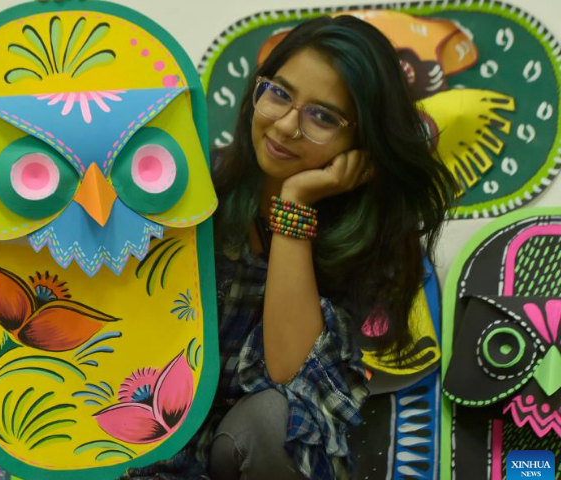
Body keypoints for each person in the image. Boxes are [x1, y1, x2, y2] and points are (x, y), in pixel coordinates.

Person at [124, 14, 455, 480]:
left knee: (273, 422)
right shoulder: (190, 188)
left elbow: (288, 381)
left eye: (322, 116)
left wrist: (295, 207)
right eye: (279, 93)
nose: (283, 127)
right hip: (135, 440)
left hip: (240, 456)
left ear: (361, 144)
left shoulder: (369, 246)